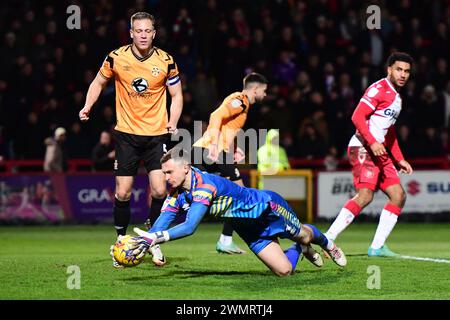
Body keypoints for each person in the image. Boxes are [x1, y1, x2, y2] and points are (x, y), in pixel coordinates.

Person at [132, 148, 346, 276]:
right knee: (284, 271)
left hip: (267, 209)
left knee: (304, 234)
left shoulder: (205, 186)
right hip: (247, 228)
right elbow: (164, 219)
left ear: (186, 167)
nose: (166, 177)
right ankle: (300, 248)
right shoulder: (176, 193)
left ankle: (326, 242)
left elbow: (189, 227)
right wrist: (147, 240)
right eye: (164, 173)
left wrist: (155, 238)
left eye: (169, 172)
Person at [78, 12, 183, 268]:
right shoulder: (116, 57)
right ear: (131, 33)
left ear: (154, 33)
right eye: (139, 31)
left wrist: (173, 122)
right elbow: (98, 81)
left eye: (148, 31)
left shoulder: (166, 61)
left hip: (157, 135)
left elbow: (177, 95)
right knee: (123, 193)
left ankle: (153, 240)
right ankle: (120, 242)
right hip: (126, 135)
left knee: (160, 190)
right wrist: (87, 106)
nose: (144, 35)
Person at [324, 52, 414, 257]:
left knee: (398, 195)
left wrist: (399, 158)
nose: (403, 74)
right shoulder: (378, 89)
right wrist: (372, 143)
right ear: (389, 69)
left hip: (379, 150)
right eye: (399, 69)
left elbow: (388, 131)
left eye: (407, 71)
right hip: (363, 147)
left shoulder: (397, 98)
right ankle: (328, 237)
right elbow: (357, 116)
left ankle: (377, 247)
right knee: (365, 195)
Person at [191, 72, 268, 254]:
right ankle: (226, 239)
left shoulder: (242, 103)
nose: (265, 95)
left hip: (208, 150)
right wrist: (215, 145)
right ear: (255, 89)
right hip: (213, 151)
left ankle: (155, 229)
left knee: (190, 193)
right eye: (264, 91)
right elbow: (216, 115)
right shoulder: (240, 100)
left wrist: (235, 149)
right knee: (242, 195)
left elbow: (227, 126)